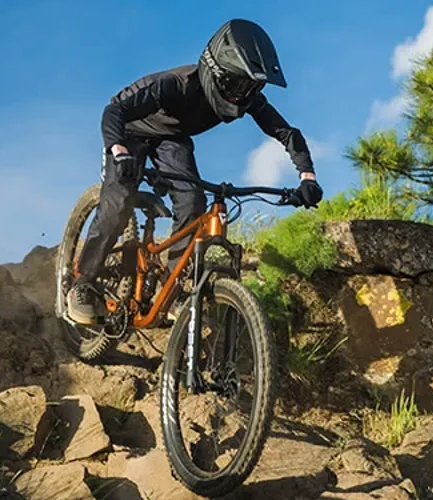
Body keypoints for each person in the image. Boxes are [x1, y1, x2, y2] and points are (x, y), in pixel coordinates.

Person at [67, 18, 323, 325]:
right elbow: (114, 112)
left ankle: (174, 290)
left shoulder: (247, 99)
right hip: (129, 131)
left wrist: (306, 176)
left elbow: (286, 132)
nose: (243, 96)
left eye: (251, 87)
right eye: (238, 85)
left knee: (193, 202)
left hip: (172, 138)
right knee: (119, 200)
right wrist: (119, 152)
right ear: (216, 72)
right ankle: (82, 284)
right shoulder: (174, 86)